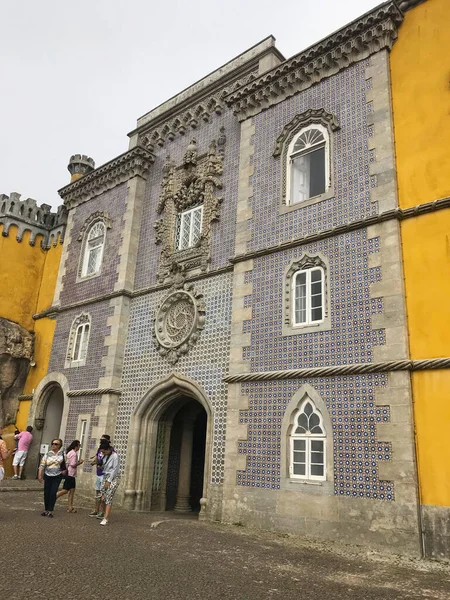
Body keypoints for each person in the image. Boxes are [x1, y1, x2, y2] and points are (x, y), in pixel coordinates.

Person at [38, 438, 66, 518]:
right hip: (47, 475)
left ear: (60, 446)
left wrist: (64, 471)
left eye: (56, 444)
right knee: (46, 493)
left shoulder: (63, 454)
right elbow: (42, 464)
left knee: (53, 493)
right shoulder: (47, 454)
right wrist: (40, 474)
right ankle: (46, 509)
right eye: (52, 443)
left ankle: (50, 510)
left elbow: (66, 464)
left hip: (57, 475)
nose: (53, 445)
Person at [56, 440, 84, 512]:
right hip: (70, 474)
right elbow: (73, 464)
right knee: (65, 490)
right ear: (76, 446)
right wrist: (80, 462)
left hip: (70, 474)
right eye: (79, 446)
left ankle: (70, 507)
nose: (79, 447)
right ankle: (53, 497)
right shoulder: (74, 454)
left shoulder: (70, 452)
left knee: (72, 490)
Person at [88, 434, 112, 519]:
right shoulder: (99, 449)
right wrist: (94, 462)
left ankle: (102, 511)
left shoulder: (110, 450)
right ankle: (96, 510)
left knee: (103, 493)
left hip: (105, 474)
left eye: (102, 440)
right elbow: (98, 458)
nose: (100, 441)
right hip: (98, 474)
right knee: (97, 492)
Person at [97, 439, 120, 526]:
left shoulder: (115, 456)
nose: (102, 453)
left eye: (103, 451)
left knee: (109, 496)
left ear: (108, 449)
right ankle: (103, 512)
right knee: (103, 497)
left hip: (113, 477)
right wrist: (99, 465)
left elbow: (115, 469)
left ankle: (105, 518)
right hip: (105, 476)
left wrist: (109, 481)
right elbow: (105, 467)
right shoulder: (105, 456)